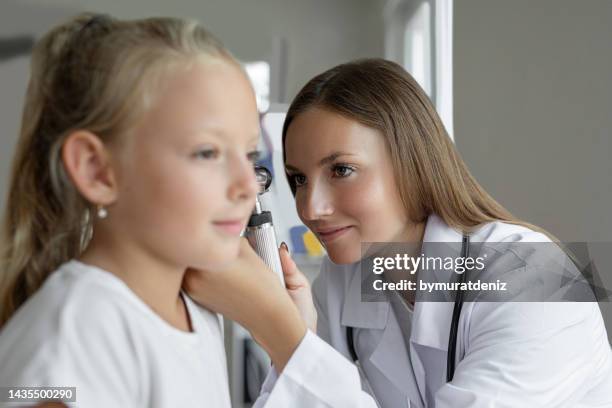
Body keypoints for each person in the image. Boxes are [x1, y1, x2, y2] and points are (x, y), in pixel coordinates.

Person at [187, 59, 612, 407]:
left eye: (342, 170)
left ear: (413, 163)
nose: (310, 209)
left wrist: (285, 334)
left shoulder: (540, 280)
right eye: (299, 179)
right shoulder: (348, 279)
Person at [0, 13, 369, 408]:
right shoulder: (72, 342)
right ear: (97, 170)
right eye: (207, 153)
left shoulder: (191, 310)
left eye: (248, 156)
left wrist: (286, 329)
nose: (247, 185)